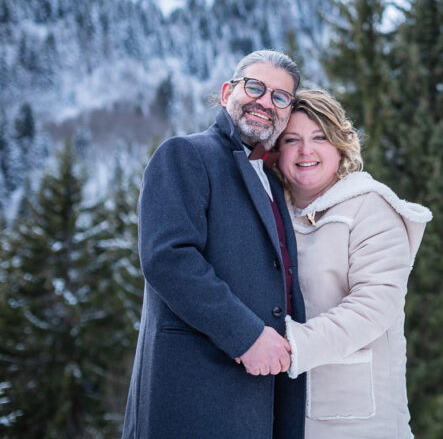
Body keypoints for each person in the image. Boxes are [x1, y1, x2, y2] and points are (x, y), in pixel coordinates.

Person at [122, 50, 306, 439]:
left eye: (280, 97)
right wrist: (247, 336)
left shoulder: (271, 181)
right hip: (194, 393)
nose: (265, 102)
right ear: (227, 92)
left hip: (261, 398)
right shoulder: (186, 154)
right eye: (255, 87)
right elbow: (168, 259)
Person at [274, 88, 432, 438]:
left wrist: (291, 344)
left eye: (320, 137)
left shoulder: (369, 207)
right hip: (286, 411)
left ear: (340, 144)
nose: (306, 151)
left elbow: (375, 306)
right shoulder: (271, 214)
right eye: (291, 140)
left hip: (359, 418)